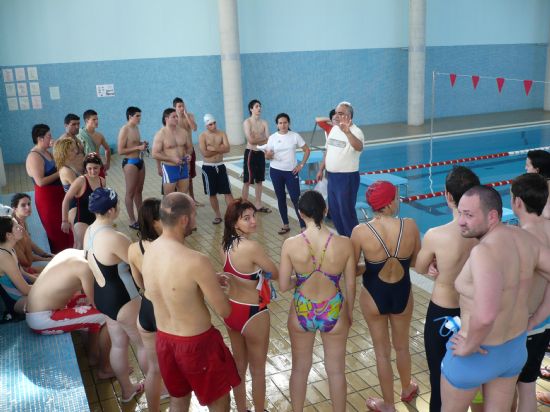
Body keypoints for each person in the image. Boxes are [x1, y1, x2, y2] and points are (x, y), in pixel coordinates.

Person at [439, 185, 550, 412]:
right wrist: (536, 318)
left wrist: (469, 345)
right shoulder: (524, 238)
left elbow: (487, 315)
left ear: (492, 216)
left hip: (477, 354)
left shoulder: (484, 252)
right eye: (460, 213)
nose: (461, 221)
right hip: (513, 351)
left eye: (469, 215)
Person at [142, 192, 240, 411]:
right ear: (185, 220)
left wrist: (205, 280)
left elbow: (170, 285)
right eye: (194, 214)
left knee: (178, 400)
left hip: (165, 341)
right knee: (219, 403)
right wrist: (232, 290)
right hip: (197, 345)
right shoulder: (196, 260)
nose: (196, 220)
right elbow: (224, 310)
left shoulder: (149, 251)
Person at [279, 190, 356, 412]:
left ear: (301, 214)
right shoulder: (344, 243)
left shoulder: (291, 244)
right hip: (334, 308)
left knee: (299, 370)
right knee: (336, 371)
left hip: (301, 309)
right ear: (325, 210)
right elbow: (350, 284)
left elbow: (283, 285)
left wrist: (301, 278)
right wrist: (349, 313)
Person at [414, 166, 480, 412]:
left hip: (441, 313)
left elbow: (420, 267)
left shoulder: (436, 235)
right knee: (472, 377)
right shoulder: (485, 233)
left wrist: (433, 262)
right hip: (473, 314)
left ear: (448, 196)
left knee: (438, 378)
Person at [351, 181, 421, 412]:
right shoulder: (410, 226)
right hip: (402, 292)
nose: (399, 201)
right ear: (389, 203)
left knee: (382, 353)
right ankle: (407, 388)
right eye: (397, 198)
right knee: (402, 347)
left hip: (373, 294)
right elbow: (415, 261)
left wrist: (371, 266)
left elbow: (353, 269)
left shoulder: (360, 232)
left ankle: (388, 405)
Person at [84, 187, 147, 403]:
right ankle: (160, 386)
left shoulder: (89, 231)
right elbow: (140, 264)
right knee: (143, 344)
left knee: (119, 344)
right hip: (124, 298)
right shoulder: (114, 237)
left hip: (104, 297)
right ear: (112, 210)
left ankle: (127, 390)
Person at [220, 199, 279, 412]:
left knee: (239, 367)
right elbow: (277, 272)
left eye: (254, 216)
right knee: (258, 371)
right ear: (235, 223)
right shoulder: (251, 247)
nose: (254, 221)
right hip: (253, 314)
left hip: (231, 312)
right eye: (247, 218)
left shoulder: (224, 245)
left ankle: (242, 409)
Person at [25, 248, 112, 377]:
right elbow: (95, 302)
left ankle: (93, 354)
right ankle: (104, 369)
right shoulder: (86, 267)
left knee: (86, 304)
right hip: (43, 318)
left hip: (36, 310)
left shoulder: (70, 252)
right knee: (107, 315)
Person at [509, 173, 550, 411]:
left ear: (517, 202)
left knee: (504, 386)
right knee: (527, 386)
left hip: (520, 326)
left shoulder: (519, 239)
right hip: (543, 323)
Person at [127, 198, 166, 411]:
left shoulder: (134, 248)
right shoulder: (168, 246)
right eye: (164, 218)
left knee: (154, 369)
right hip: (165, 310)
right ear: (154, 221)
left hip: (147, 308)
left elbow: (138, 283)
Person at [316, 102, 364, 237]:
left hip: (347, 177)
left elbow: (359, 147)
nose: (337, 116)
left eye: (341, 113)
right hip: (331, 176)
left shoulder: (356, 131)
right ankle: (344, 238)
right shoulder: (334, 130)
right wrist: (321, 169)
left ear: (349, 116)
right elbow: (328, 151)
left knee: (346, 211)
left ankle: (355, 241)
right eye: (336, 113)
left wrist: (347, 132)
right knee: (335, 211)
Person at [258, 113, 310, 234]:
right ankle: (285, 224)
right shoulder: (273, 137)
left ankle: (303, 226)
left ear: (289, 123)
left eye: (285, 122)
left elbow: (307, 150)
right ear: (277, 125)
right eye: (280, 123)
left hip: (291, 172)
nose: (283, 125)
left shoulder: (294, 136)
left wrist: (301, 164)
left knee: (296, 198)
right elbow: (267, 156)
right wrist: (268, 155)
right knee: (281, 198)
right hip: (276, 171)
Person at [25, 124, 73, 252]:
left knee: (66, 228)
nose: (51, 138)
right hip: (47, 200)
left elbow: (60, 163)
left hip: (58, 196)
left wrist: (56, 148)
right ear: (40, 138)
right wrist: (61, 172)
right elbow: (40, 182)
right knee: (56, 231)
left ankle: (70, 254)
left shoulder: (46, 152)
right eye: (49, 136)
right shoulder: (34, 156)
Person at [61, 153, 105, 249]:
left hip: (96, 219)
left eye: (95, 168)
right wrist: (64, 220)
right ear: (85, 169)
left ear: (100, 167)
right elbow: (66, 199)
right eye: (89, 168)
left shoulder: (102, 181)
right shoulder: (81, 181)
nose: (93, 171)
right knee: (80, 247)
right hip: (82, 220)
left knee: (95, 247)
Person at [198, 114, 234, 224]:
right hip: (208, 168)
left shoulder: (222, 133)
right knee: (212, 193)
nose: (213, 126)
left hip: (220, 166)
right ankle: (218, 215)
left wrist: (213, 148)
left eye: (214, 123)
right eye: (210, 124)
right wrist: (220, 149)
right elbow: (205, 153)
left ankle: (232, 214)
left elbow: (227, 148)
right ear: (206, 125)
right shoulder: (203, 136)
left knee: (227, 192)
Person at [117, 106, 147, 230]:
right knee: (130, 192)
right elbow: (120, 150)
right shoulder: (125, 129)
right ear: (130, 116)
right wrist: (137, 148)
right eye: (137, 116)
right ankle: (132, 220)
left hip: (139, 161)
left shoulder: (136, 128)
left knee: (138, 192)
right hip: (130, 163)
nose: (140, 118)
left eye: (140, 116)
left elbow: (133, 144)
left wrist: (141, 144)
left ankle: (141, 217)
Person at [152, 108, 191, 196]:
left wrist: (188, 154)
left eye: (177, 116)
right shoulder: (160, 134)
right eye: (174, 117)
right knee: (169, 198)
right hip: (170, 168)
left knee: (183, 196)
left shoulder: (183, 132)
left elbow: (189, 148)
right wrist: (171, 159)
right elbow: (155, 154)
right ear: (166, 119)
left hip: (183, 166)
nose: (177, 119)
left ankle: (181, 210)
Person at [0, 216, 35, 315]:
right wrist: (48, 286)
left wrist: (43, 280)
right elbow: (25, 290)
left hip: (22, 294)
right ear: (9, 235)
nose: (21, 227)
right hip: (15, 301)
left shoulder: (10, 249)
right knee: (52, 296)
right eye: (16, 227)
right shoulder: (3, 257)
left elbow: (24, 274)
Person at [11, 193, 53, 274]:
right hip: (21, 271)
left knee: (56, 259)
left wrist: (46, 255)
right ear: (14, 209)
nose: (28, 207)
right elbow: (26, 262)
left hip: (26, 263)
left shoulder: (22, 222)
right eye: (23, 205)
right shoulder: (14, 230)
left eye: (29, 204)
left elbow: (29, 244)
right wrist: (45, 259)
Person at [242, 99, 271, 213]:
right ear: (251, 109)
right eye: (257, 106)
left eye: (260, 106)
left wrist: (258, 139)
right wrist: (263, 139)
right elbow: (251, 140)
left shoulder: (264, 123)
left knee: (259, 180)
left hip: (260, 153)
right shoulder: (247, 122)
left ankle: (258, 204)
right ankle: (243, 205)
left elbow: (269, 140)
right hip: (250, 153)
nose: (259, 108)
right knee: (247, 181)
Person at [173, 97, 202, 205]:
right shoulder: (174, 118)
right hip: (179, 153)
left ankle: (192, 199)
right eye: (179, 106)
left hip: (190, 151)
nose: (182, 108)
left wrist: (185, 115)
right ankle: (179, 200)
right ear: (174, 107)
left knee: (189, 177)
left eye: (183, 106)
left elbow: (194, 128)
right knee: (178, 177)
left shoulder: (189, 116)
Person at [54, 137, 83, 231]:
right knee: (79, 242)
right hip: (75, 206)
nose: (75, 151)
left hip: (76, 203)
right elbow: (80, 189)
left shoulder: (69, 165)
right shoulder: (66, 170)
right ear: (64, 153)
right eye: (72, 150)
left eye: (75, 148)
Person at [77, 109, 112, 177]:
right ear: (87, 120)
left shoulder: (99, 135)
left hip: (98, 165)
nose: (97, 121)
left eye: (97, 119)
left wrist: (108, 163)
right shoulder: (79, 135)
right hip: (86, 169)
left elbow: (107, 149)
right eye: (94, 119)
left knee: (101, 186)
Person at [524, 149, 550, 219]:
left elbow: (547, 215)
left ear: (537, 170)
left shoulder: (543, 187)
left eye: (527, 165)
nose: (525, 168)